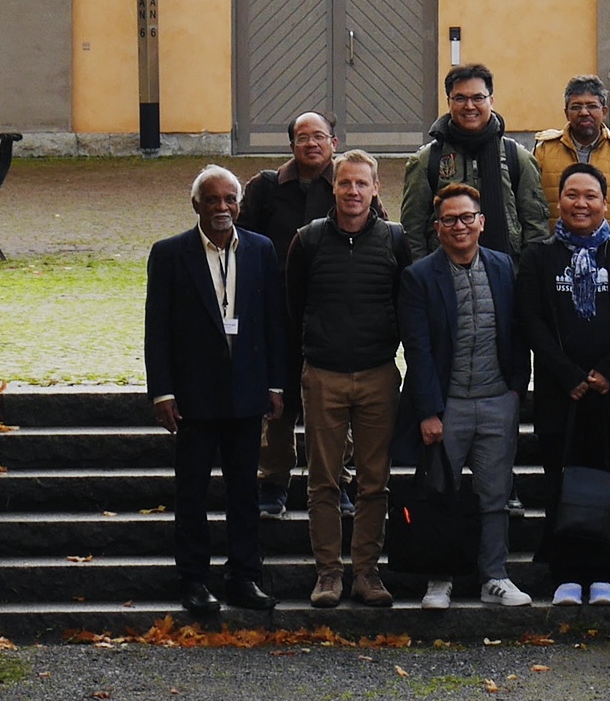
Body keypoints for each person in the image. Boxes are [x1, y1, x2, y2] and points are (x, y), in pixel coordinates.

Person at [145, 165, 284, 619]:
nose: (222, 207)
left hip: (247, 393)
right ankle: (194, 579)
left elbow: (273, 320)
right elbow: (157, 329)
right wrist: (162, 393)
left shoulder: (261, 250)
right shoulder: (170, 254)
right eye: (212, 199)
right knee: (192, 491)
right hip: (193, 396)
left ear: (239, 204)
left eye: (230, 199)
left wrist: (275, 384)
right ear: (196, 205)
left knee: (245, 491)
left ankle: (244, 576)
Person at [518, 163, 610, 606]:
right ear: (559, 200)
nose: (581, 204)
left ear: (604, 202)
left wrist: (607, 371)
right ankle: (565, 572)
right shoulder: (539, 256)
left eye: (590, 196)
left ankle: (606, 573)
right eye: (572, 195)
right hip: (561, 395)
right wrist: (569, 375)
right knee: (560, 481)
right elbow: (531, 319)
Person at [285, 150, 414, 608]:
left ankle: (365, 572)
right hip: (323, 375)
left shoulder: (396, 240)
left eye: (362, 183)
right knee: (323, 481)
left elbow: (405, 305)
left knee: (374, 482)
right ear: (333, 187)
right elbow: (293, 308)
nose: (353, 191)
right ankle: (328, 573)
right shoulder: (308, 240)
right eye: (345, 183)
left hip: (378, 374)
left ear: (376, 188)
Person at [396, 182, 533, 610]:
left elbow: (519, 330)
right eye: (450, 219)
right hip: (447, 406)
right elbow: (417, 349)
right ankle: (440, 579)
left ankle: (495, 576)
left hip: (497, 400)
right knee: (440, 494)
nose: (460, 226)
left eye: (467, 218)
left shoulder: (503, 266)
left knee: (495, 496)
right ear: (437, 227)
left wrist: (516, 389)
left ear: (482, 222)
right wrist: (428, 411)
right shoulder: (419, 277)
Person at [238, 111, 336, 518]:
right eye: (303, 138)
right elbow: (242, 245)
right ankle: (273, 483)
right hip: (276, 314)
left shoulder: (348, 183)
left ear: (334, 142)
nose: (311, 144)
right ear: (291, 144)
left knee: (331, 408)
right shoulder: (265, 188)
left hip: (331, 316)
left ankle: (337, 482)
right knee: (276, 406)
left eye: (319, 136)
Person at [403, 63, 551, 259]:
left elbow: (535, 228)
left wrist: (527, 273)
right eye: (460, 98)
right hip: (444, 271)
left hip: (507, 272)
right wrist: (421, 273)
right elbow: (413, 230)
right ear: (448, 102)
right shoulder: (427, 161)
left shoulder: (517, 159)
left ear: (491, 100)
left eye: (478, 98)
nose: (469, 106)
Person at [532, 76, 610, 223]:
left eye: (592, 106)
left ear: (604, 111)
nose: (584, 112)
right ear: (566, 113)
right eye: (576, 107)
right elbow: (531, 208)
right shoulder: (543, 152)